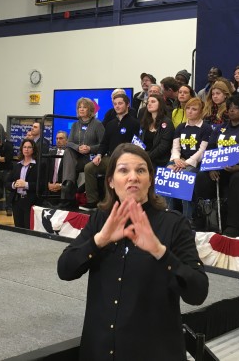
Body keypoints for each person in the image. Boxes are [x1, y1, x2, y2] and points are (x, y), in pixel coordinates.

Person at [57, 143, 209, 360]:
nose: (133, 177)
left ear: (150, 179)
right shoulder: (101, 220)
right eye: (123, 170)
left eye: (140, 170)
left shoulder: (174, 224)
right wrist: (99, 241)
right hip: (99, 352)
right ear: (110, 181)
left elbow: (198, 292)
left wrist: (160, 252)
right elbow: (65, 269)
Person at [195, 94, 239, 237]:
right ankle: (204, 217)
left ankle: (234, 225)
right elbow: (210, 149)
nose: (231, 111)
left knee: (237, 179)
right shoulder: (220, 129)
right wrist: (211, 168)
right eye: (230, 108)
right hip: (221, 168)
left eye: (235, 108)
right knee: (201, 177)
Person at [81, 93, 140, 210]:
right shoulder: (110, 124)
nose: (117, 106)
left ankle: (116, 202)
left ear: (127, 105)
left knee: (115, 172)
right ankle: (92, 201)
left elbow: (137, 145)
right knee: (89, 167)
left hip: (126, 159)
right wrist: (99, 155)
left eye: (120, 103)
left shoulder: (134, 123)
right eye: (115, 104)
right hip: (110, 158)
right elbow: (104, 143)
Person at [169, 97, 212, 225]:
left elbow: (202, 151)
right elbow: (175, 147)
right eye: (188, 108)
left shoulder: (206, 128)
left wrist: (186, 163)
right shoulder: (181, 127)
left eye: (194, 109)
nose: (190, 111)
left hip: (196, 163)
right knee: (166, 174)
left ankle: (187, 219)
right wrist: (176, 160)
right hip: (179, 161)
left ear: (201, 111)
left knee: (184, 179)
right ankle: (169, 215)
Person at [58, 98, 104, 209]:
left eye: (84, 107)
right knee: (68, 151)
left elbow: (103, 145)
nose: (81, 109)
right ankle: (68, 183)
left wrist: (90, 148)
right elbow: (69, 143)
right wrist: (78, 148)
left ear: (90, 109)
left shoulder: (97, 124)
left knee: (68, 159)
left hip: (91, 158)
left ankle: (67, 191)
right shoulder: (75, 125)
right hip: (77, 158)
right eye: (79, 107)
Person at [138, 94, 174, 168]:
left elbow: (164, 146)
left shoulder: (167, 123)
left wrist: (147, 157)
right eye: (148, 102)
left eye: (153, 101)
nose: (149, 104)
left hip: (160, 160)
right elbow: (139, 141)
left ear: (160, 104)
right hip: (144, 158)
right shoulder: (145, 122)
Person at [9, 138, 38, 229]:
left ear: (33, 150)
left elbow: (40, 185)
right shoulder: (17, 165)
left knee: (28, 228)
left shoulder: (38, 165)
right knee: (18, 228)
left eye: (29, 147)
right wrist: (14, 184)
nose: (26, 149)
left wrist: (25, 184)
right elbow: (7, 182)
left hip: (30, 201)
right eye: (24, 147)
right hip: (17, 201)